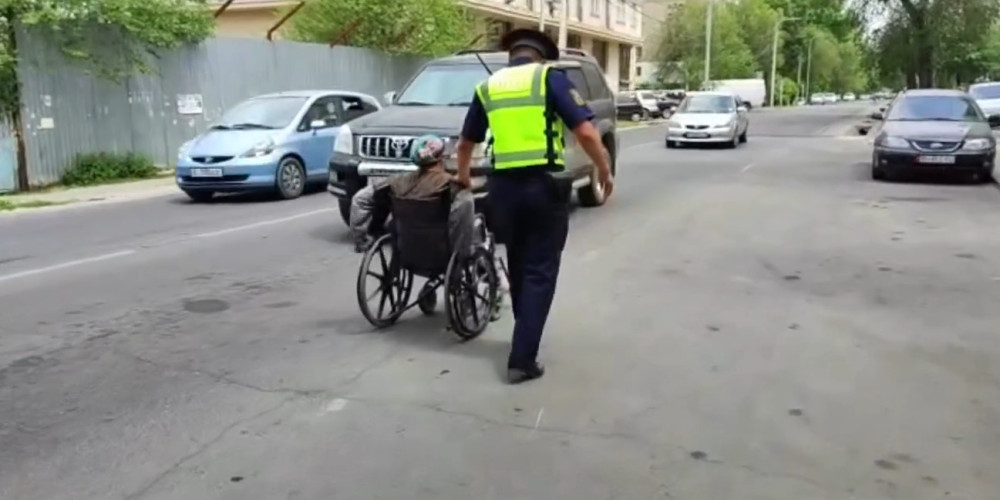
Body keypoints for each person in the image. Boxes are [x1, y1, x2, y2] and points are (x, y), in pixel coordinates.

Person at [455, 29, 614, 384]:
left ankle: (523, 333)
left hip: (502, 191)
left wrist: (464, 179)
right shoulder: (549, 79)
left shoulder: (488, 87)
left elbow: (465, 143)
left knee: (518, 262)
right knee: (540, 270)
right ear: (541, 56)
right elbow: (586, 132)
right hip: (543, 187)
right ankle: (522, 359)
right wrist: (603, 169)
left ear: (511, 55)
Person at [349, 134, 477, 256]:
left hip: (405, 249)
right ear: (442, 157)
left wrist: (362, 241)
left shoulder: (396, 182)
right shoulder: (450, 184)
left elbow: (360, 200)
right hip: (442, 251)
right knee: (466, 202)